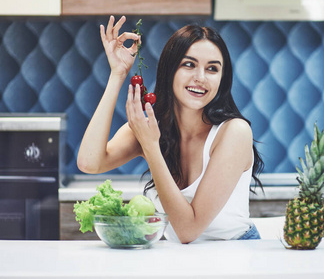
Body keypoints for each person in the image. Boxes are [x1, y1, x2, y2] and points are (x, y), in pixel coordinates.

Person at [77, 15, 264, 243]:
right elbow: (89, 162)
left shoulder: (234, 132)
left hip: (236, 256)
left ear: (222, 79)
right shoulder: (152, 130)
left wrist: (150, 146)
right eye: (189, 64)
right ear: (170, 70)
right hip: (180, 259)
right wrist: (118, 75)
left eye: (212, 69)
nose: (200, 78)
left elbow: (188, 230)